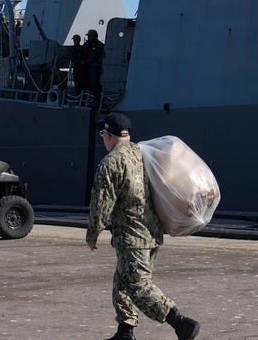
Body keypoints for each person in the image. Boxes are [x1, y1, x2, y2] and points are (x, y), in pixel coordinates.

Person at [86, 112, 200, 340]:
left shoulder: (111, 162)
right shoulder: (142, 153)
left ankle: (181, 323)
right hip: (152, 233)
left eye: (103, 134)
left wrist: (93, 233)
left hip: (132, 237)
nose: (102, 138)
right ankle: (125, 332)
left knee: (138, 286)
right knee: (122, 283)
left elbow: (101, 202)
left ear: (108, 136)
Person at [84, 29, 104, 99]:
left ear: (94, 36)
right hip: (91, 67)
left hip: (97, 68)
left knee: (96, 84)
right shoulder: (90, 45)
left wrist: (98, 63)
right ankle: (93, 98)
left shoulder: (100, 45)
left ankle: (98, 98)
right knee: (91, 84)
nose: (88, 38)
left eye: (89, 36)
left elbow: (103, 55)